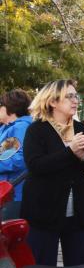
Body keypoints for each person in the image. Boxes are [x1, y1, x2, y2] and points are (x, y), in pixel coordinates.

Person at [22, 80, 84, 266]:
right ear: (52, 102)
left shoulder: (81, 128)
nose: (75, 101)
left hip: (77, 212)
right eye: (69, 96)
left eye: (76, 96)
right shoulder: (37, 129)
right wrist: (69, 151)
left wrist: (82, 157)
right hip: (44, 212)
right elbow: (35, 165)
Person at [0, 90, 33, 220]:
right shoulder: (7, 127)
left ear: (9, 107)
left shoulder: (20, 127)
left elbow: (19, 159)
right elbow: (4, 154)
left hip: (13, 193)